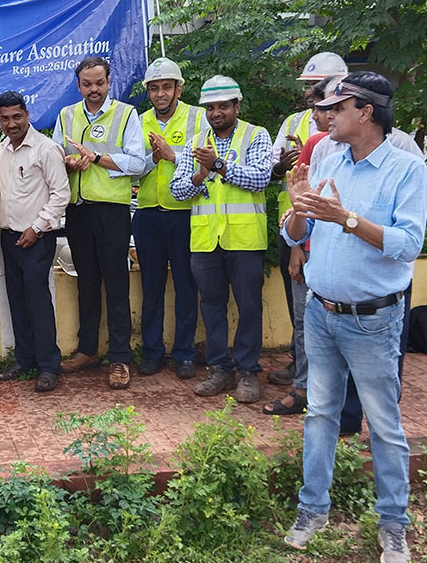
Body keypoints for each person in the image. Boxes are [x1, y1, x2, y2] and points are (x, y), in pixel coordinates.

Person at [281, 72, 427, 563]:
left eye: (336, 107)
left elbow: (407, 245)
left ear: (365, 112)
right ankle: (312, 511)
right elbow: (297, 233)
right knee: (320, 414)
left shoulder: (407, 171)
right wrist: (298, 211)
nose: (326, 115)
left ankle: (393, 525)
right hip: (320, 312)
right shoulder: (327, 157)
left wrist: (345, 218)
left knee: (383, 425)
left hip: (372, 320)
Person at [170, 75, 273, 403]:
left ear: (236, 106)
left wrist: (220, 166)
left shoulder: (255, 135)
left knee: (249, 307)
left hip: (244, 239)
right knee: (211, 307)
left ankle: (246, 371)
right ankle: (220, 369)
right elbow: (178, 189)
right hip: (205, 241)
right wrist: (200, 175)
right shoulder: (195, 142)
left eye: (223, 106)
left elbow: (260, 178)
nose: (216, 113)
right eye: (210, 107)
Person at [53, 56, 146, 389]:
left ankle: (120, 357)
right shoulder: (66, 116)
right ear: (78, 85)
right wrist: (66, 162)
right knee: (86, 282)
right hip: (77, 210)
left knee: (116, 284)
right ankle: (87, 350)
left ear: (109, 83)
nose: (94, 89)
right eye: (87, 84)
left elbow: (137, 162)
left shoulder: (126, 114)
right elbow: (53, 160)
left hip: (112, 210)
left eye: (99, 83)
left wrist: (97, 158)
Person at [270, 52, 350, 387]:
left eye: (317, 88)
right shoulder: (292, 123)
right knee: (300, 309)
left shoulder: (349, 134)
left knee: (321, 313)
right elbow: (272, 171)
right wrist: (284, 164)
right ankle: (301, 364)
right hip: (296, 227)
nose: (309, 94)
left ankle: (313, 381)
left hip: (329, 237)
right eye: (308, 87)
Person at [263, 76, 333, 416]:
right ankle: (303, 386)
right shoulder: (311, 140)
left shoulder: (373, 147)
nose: (315, 103)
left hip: (340, 253)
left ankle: (325, 391)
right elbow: (300, 199)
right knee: (306, 319)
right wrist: (297, 247)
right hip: (303, 238)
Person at [133, 57, 206, 380]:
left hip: (184, 213)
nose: (160, 94)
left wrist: (173, 156)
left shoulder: (198, 117)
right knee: (151, 285)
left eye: (166, 87)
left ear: (178, 88)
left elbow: (207, 159)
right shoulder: (138, 120)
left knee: (186, 286)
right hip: (148, 211)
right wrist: (154, 156)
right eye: (154, 88)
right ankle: (151, 352)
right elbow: (133, 166)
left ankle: (185, 353)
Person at [0, 90, 69, 392]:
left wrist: (36, 228)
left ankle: (49, 365)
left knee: (38, 302)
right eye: (5, 118)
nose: (12, 123)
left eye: (17, 116)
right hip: (9, 238)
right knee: (18, 302)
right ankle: (25, 360)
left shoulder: (45, 149)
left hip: (36, 238)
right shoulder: (0, 150)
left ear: (27, 115)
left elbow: (61, 194)